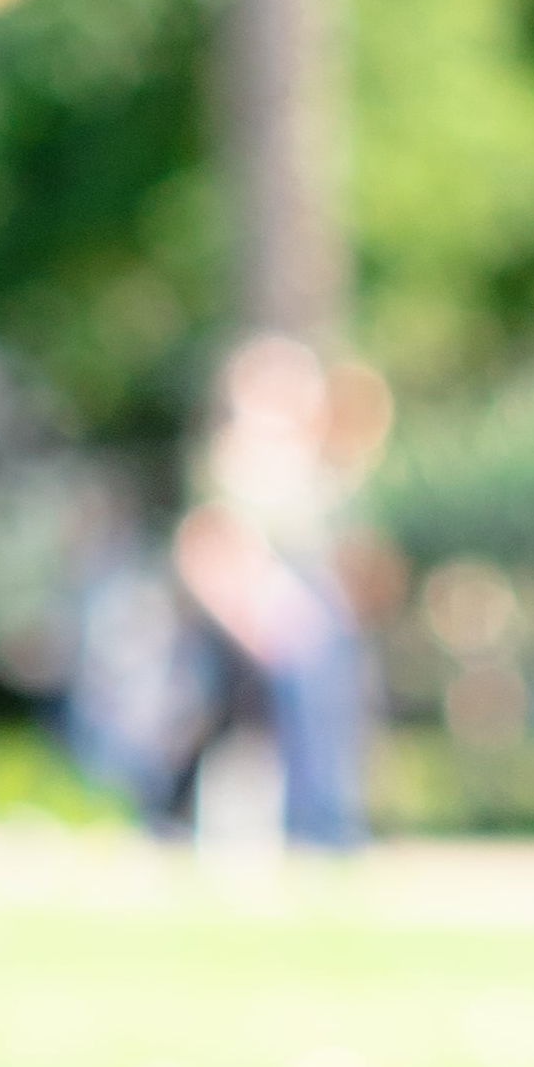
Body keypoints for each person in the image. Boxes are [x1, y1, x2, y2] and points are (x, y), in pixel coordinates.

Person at [164, 332, 389, 847]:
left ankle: (326, 821)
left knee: (329, 709)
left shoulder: (317, 467)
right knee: (231, 720)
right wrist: (255, 614)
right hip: (250, 615)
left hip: (311, 610)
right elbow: (209, 545)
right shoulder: (230, 464)